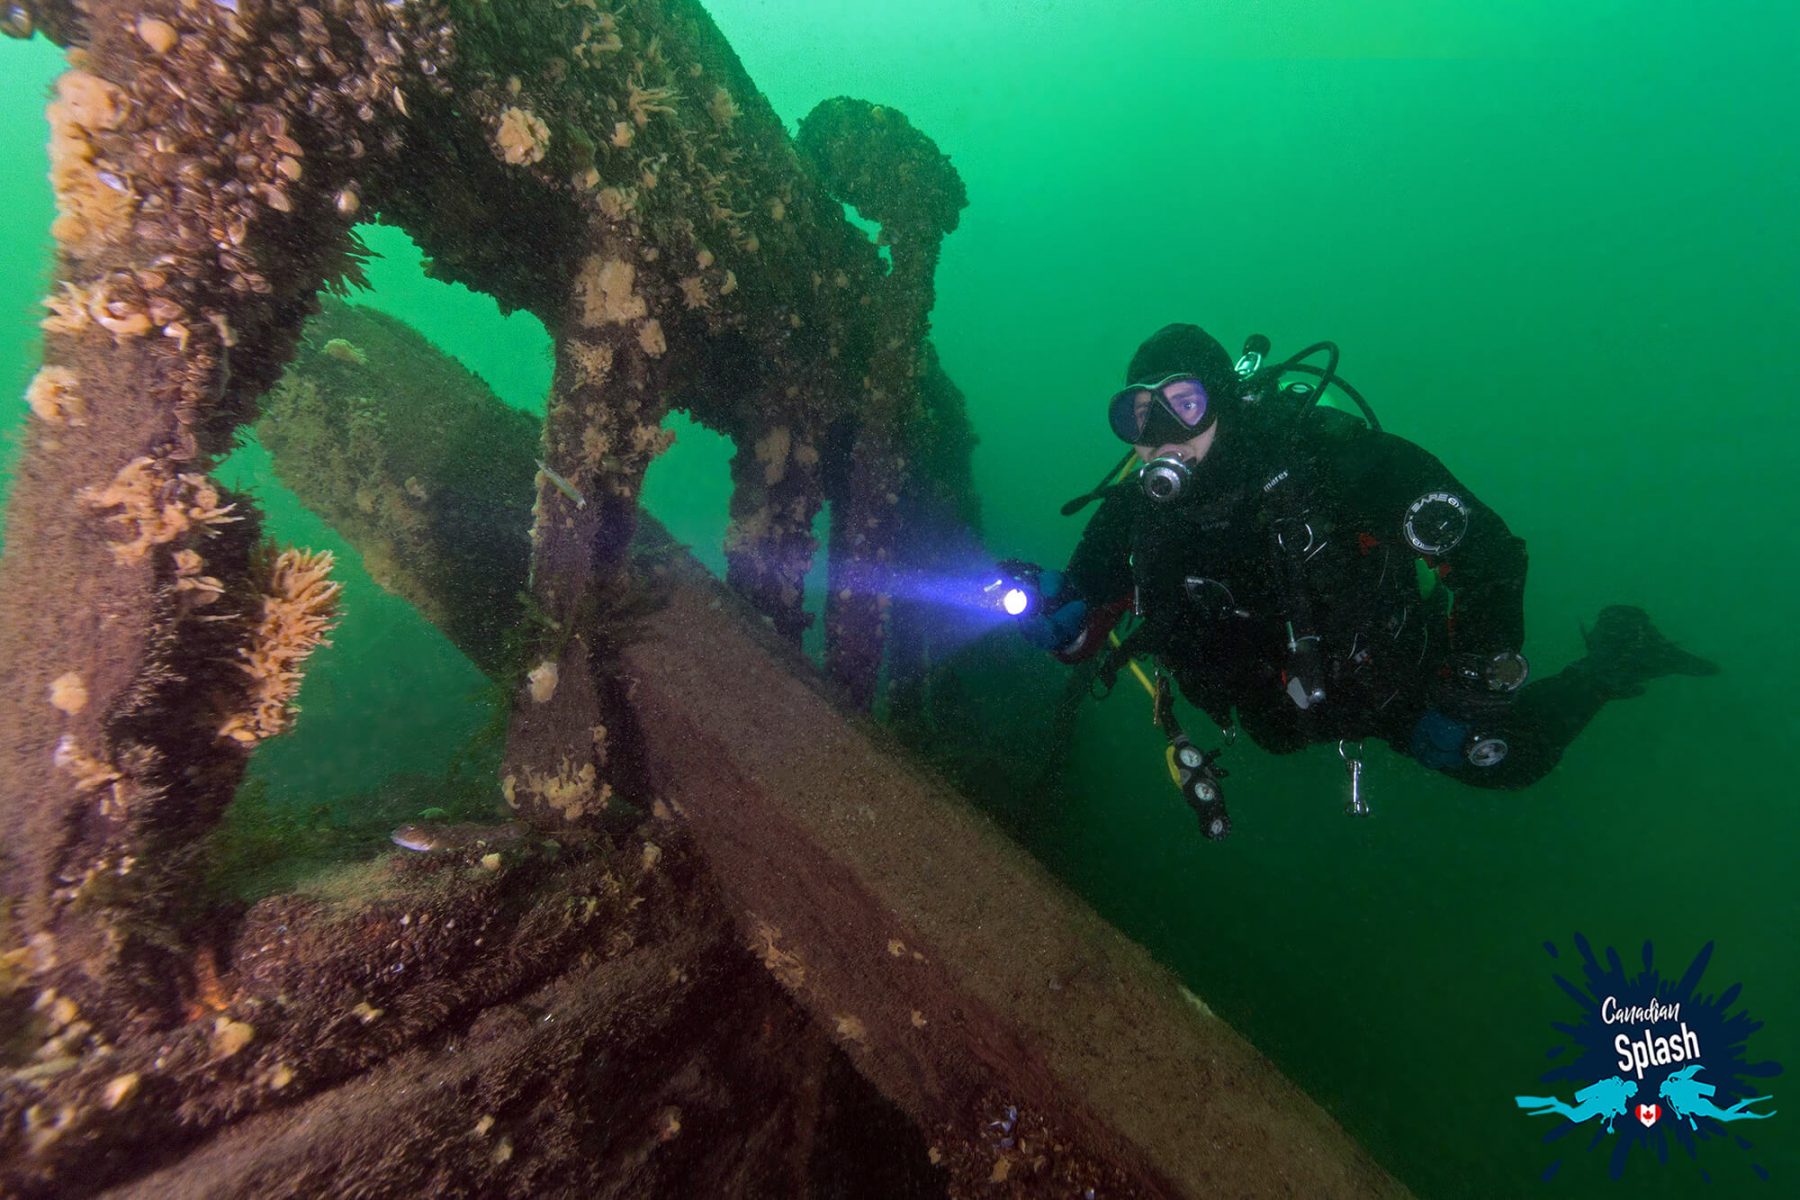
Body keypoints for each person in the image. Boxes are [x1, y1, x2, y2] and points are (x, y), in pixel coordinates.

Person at [1018, 323, 1718, 804]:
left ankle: (1616, 657)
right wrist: (1054, 610)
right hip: (1274, 710)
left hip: (1388, 686)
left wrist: (1474, 678)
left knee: (1511, 761)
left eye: (1184, 404)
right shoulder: (1138, 513)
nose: (1160, 437)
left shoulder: (1335, 465)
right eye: (1138, 417)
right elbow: (1083, 623)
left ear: (1225, 404)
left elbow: (1489, 554)